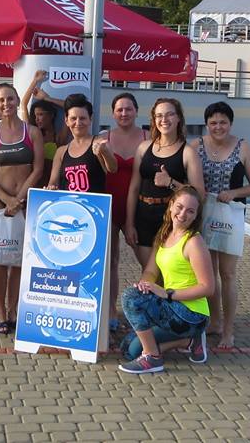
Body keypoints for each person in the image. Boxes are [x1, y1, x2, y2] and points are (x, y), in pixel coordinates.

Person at [118, 186, 214, 374]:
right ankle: (188, 342)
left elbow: (208, 287)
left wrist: (167, 294)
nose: (183, 214)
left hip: (192, 315)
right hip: (172, 308)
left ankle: (152, 357)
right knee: (129, 349)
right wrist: (144, 285)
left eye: (190, 211)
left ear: (196, 216)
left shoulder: (193, 242)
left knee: (130, 298)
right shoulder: (164, 235)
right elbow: (150, 271)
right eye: (179, 207)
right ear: (171, 206)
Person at [191, 101, 250, 350]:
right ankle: (215, 322)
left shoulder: (243, 147)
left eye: (223, 122)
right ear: (206, 124)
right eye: (213, 123)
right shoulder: (196, 146)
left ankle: (228, 331)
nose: (218, 127)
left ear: (230, 124)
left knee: (228, 274)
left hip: (230, 218)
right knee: (208, 273)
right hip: (204, 217)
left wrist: (234, 193)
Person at [0, 84, 44, 334]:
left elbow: (38, 169)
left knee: (18, 259)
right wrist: (7, 199)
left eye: (10, 99)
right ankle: (0, 313)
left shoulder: (32, 132)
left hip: (25, 201)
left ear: (18, 101)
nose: (6, 103)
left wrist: (18, 198)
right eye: (1, 100)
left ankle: (14, 309)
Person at [125, 98, 205, 270]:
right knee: (148, 272)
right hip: (143, 217)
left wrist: (170, 182)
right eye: (159, 115)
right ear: (154, 119)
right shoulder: (143, 148)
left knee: (166, 273)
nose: (164, 119)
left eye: (169, 114)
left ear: (178, 118)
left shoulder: (188, 152)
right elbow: (134, 188)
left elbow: (199, 194)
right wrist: (129, 223)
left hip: (171, 219)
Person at [101, 93, 147, 329]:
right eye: (119, 109)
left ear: (136, 111)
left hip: (138, 209)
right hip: (109, 206)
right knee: (111, 262)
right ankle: (111, 311)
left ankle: (150, 309)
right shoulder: (103, 138)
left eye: (128, 109)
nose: (124, 113)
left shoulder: (149, 138)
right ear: (113, 113)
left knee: (148, 263)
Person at [46, 93, 117, 193]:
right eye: (73, 118)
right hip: (68, 202)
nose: (78, 123)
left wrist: (104, 152)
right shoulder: (61, 152)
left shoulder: (100, 142)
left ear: (90, 119)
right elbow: (53, 183)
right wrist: (50, 188)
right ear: (66, 121)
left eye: (82, 118)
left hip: (94, 203)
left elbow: (113, 169)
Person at [21, 70, 69, 185]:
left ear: (51, 115)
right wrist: (35, 81)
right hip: (31, 182)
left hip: (52, 184)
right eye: (35, 115)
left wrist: (47, 98)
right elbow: (23, 104)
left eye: (41, 114)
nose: (37, 119)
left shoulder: (58, 138)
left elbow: (69, 107)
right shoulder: (32, 133)